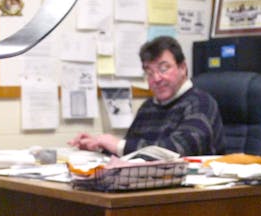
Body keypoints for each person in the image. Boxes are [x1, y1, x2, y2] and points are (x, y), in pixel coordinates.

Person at [69, 35, 223, 156]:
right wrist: (98, 146)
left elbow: (178, 150)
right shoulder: (148, 107)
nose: (156, 78)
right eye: (149, 72)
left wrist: (117, 145)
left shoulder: (201, 103)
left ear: (182, 68)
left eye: (163, 68)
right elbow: (132, 151)